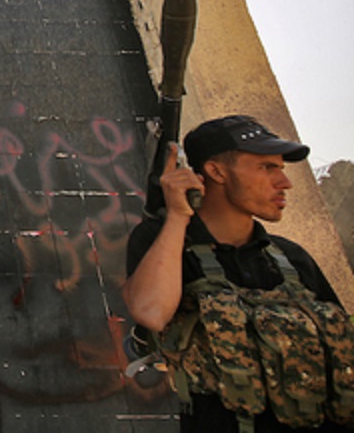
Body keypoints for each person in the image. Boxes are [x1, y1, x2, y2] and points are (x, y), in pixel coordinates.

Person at [123, 114, 350, 432]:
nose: (284, 183)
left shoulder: (291, 258)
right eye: (267, 168)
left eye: (281, 169)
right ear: (216, 171)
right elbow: (150, 312)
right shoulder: (166, 244)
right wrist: (177, 216)